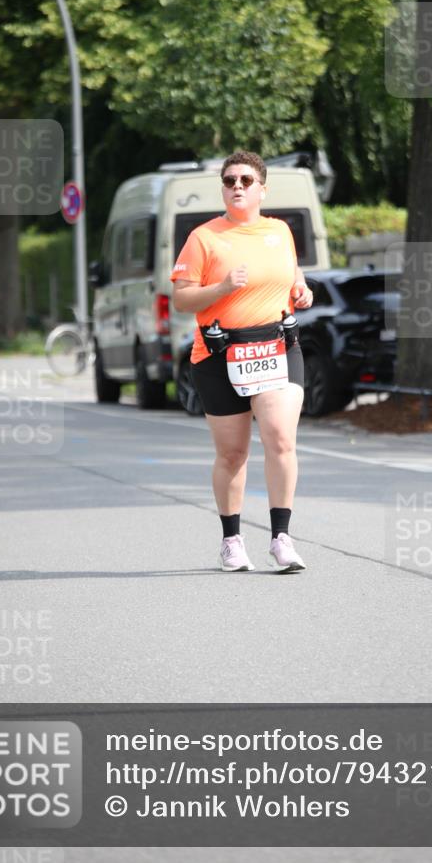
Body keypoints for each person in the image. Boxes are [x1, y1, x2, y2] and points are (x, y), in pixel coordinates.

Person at [171, 150, 313, 574]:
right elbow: (181, 299)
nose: (237, 186)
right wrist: (221, 288)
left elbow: (293, 275)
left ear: (262, 190)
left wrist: (302, 290)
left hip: (275, 348)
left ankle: (281, 538)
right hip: (219, 355)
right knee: (233, 454)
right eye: (230, 180)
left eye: (246, 181)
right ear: (222, 189)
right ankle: (231, 541)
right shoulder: (204, 238)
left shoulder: (279, 232)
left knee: (280, 438)